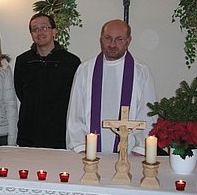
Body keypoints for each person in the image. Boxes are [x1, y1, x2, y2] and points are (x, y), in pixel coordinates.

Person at [66, 19, 157, 155]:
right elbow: (75, 111)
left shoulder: (141, 72)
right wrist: (81, 146)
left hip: (130, 153)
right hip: (89, 153)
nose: (112, 44)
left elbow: (148, 113)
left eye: (119, 39)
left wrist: (140, 148)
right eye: (108, 38)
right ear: (101, 39)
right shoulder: (85, 70)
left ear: (128, 40)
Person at [14, 13, 81, 149]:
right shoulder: (23, 61)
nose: (40, 32)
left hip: (59, 132)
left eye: (44, 27)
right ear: (31, 34)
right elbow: (20, 92)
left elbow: (75, 97)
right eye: (35, 29)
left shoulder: (71, 62)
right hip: (29, 132)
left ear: (54, 31)